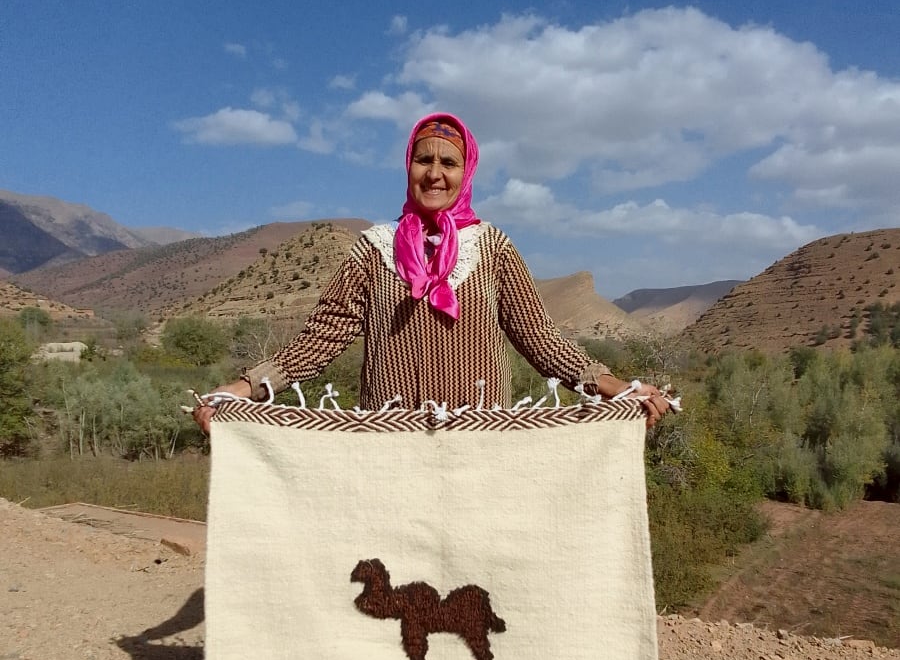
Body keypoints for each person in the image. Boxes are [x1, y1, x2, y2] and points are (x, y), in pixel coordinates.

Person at [194, 112, 672, 431]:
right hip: (390, 444)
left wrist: (618, 387)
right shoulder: (374, 250)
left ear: (467, 173)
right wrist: (244, 388)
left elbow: (541, 341)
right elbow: (319, 340)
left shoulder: (493, 248)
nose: (435, 173)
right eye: (424, 159)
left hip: (477, 444)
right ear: (409, 166)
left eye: (449, 162)